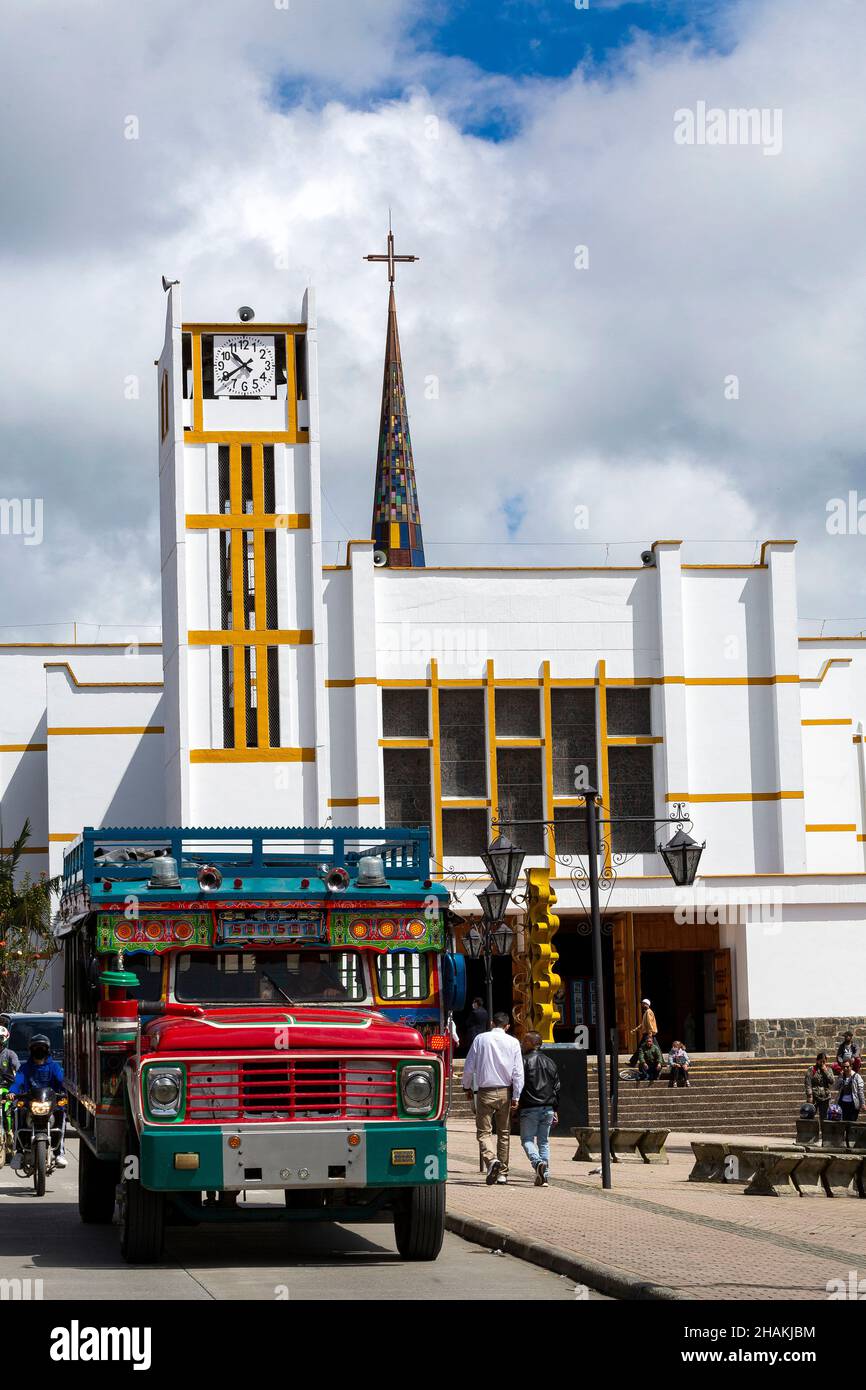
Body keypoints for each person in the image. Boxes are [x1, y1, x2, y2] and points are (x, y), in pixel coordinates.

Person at [462, 1011, 523, 1185]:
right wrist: (516, 1096)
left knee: (483, 1132)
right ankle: (503, 1172)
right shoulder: (513, 1042)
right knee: (504, 1132)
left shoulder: (480, 1039)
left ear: (491, 1023)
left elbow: (469, 1067)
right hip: (505, 1091)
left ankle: (491, 1160)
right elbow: (518, 1072)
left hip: (484, 1091)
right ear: (508, 1026)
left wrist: (466, 1086)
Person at [9, 1033, 67, 1168]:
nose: (39, 1050)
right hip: (30, 1104)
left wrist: (66, 1091)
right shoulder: (25, 1067)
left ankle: (59, 1153)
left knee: (61, 1112)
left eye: (41, 1048)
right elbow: (18, 1081)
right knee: (18, 1111)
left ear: (47, 1050)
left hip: (50, 1103)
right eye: (36, 1048)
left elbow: (62, 1080)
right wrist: (12, 1092)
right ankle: (19, 1152)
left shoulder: (54, 1067)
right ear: (31, 1050)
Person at [518, 1032, 560, 1187]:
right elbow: (557, 1087)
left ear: (530, 1042)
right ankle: (545, 1176)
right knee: (544, 1142)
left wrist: (515, 1101)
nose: (522, 1043)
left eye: (524, 1040)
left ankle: (537, 1164)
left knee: (527, 1140)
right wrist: (555, 1108)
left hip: (530, 1107)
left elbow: (518, 1083)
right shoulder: (550, 1062)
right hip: (548, 1107)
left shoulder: (523, 1061)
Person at [804, 1051, 835, 1123]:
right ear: (817, 1061)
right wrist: (809, 1096)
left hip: (825, 1097)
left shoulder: (829, 1069)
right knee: (810, 1116)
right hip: (814, 1097)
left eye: (824, 1062)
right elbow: (808, 1083)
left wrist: (825, 1071)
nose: (822, 1063)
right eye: (820, 1061)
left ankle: (824, 1133)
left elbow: (832, 1081)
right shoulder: (811, 1069)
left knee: (824, 1118)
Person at [836, 1059, 864, 1124]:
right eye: (843, 1067)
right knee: (842, 1124)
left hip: (853, 1104)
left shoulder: (856, 1076)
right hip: (842, 1103)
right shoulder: (842, 1076)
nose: (845, 1069)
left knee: (851, 1124)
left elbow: (860, 1091)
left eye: (847, 1067)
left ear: (851, 1066)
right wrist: (840, 1078)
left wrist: (863, 1103)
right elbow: (836, 1087)